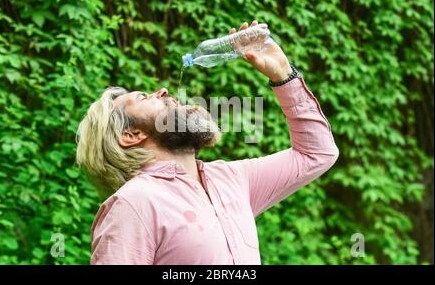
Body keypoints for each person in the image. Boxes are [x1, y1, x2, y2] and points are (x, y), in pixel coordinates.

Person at [76, 20, 339, 264]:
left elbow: (316, 154)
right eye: (144, 97)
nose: (164, 91)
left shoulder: (232, 179)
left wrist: (283, 74)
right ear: (131, 135)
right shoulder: (133, 205)